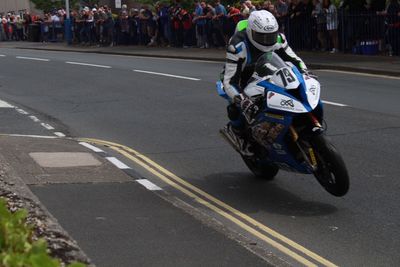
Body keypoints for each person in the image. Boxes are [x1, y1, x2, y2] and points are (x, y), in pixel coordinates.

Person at [220, 10, 309, 155]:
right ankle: (238, 133)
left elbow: (295, 59)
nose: (267, 40)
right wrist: (241, 100)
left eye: (270, 36)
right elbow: (230, 82)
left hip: (268, 68)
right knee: (236, 107)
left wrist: (306, 72)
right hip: (242, 75)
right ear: (250, 31)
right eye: (262, 37)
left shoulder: (279, 39)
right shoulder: (237, 46)